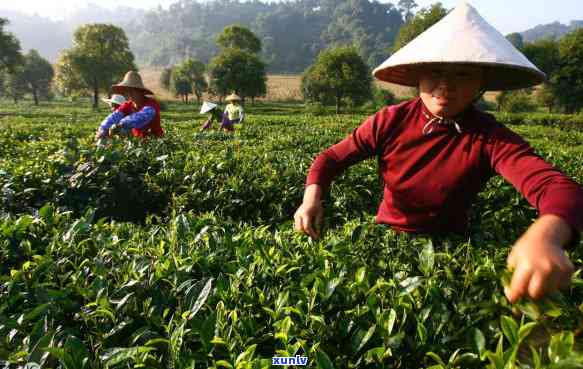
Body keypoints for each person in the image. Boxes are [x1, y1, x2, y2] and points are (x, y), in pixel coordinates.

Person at [293, 3, 583, 304]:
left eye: (463, 73)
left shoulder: (489, 138)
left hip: (450, 248)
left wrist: (546, 236)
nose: (446, 85)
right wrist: (310, 199)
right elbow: (331, 159)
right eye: (435, 71)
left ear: (480, 84)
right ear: (418, 74)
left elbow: (558, 188)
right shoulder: (391, 120)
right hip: (387, 236)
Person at [95, 71, 164, 141]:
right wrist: (103, 129)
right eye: (127, 91)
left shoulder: (151, 104)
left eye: (132, 90)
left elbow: (142, 117)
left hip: (155, 142)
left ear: (140, 91)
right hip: (137, 142)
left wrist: (121, 124)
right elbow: (114, 116)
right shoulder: (127, 105)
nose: (129, 94)